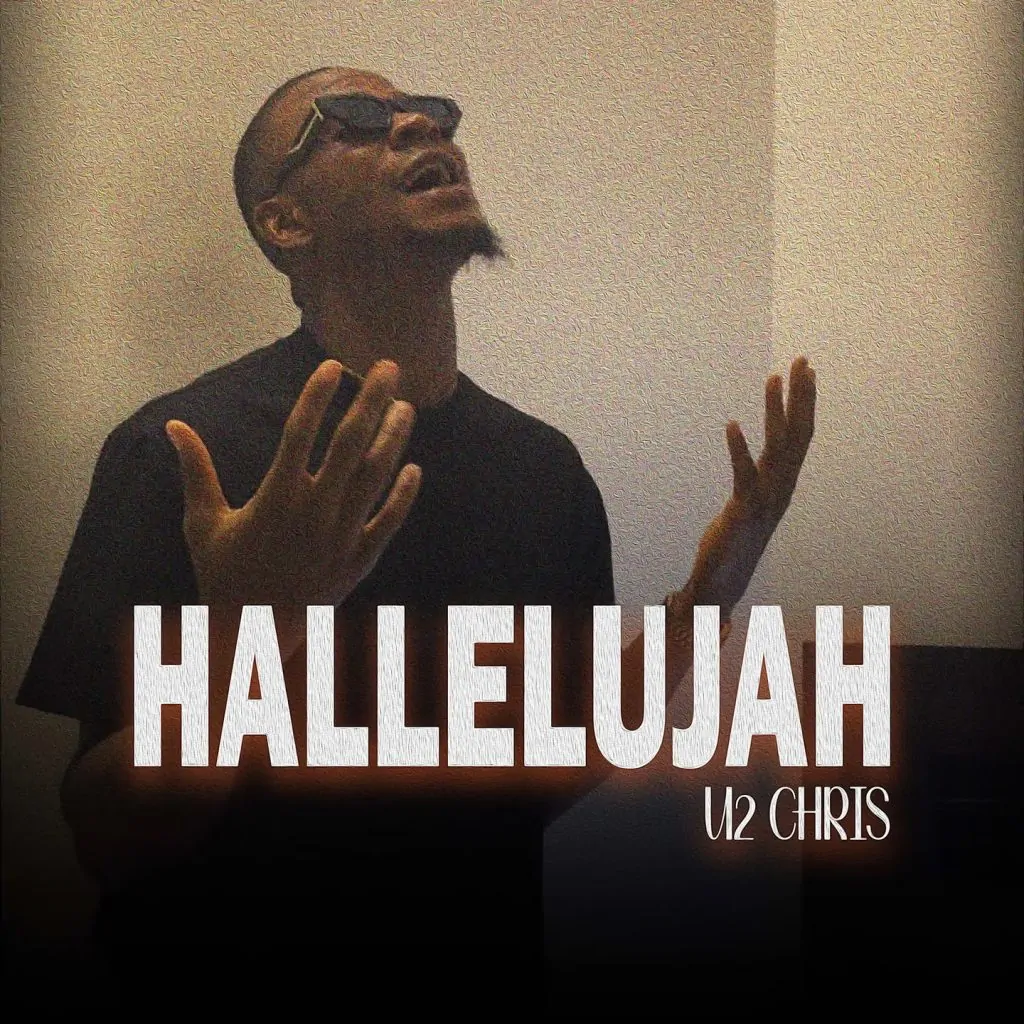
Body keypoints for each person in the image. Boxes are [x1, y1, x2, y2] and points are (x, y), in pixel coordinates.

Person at [17, 67, 815, 997]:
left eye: (430, 112)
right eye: (353, 118)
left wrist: (709, 599)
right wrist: (249, 636)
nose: (417, 125)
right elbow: (106, 838)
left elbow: (549, 766)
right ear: (286, 223)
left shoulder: (542, 470)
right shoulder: (180, 449)